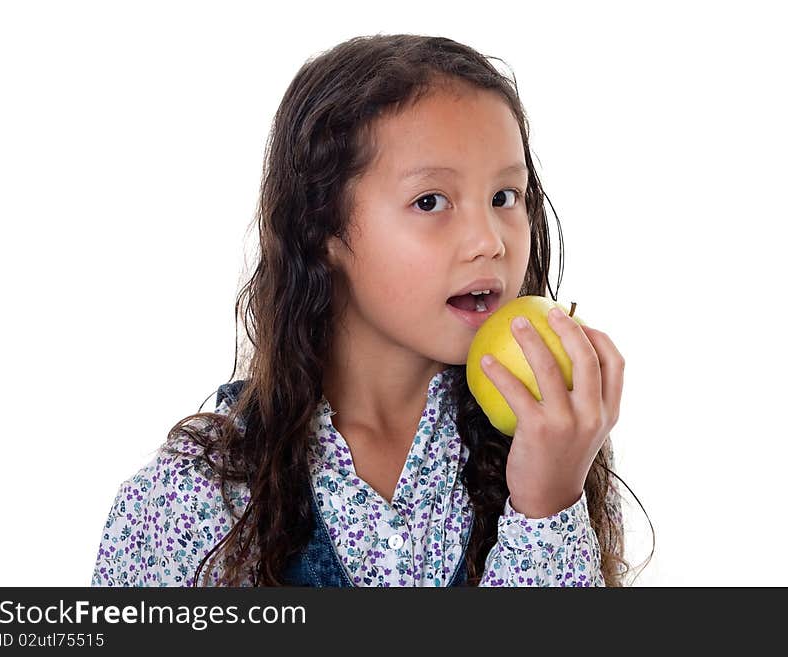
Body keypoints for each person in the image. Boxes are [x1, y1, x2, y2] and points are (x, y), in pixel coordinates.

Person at [90, 33, 633, 587]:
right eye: (430, 202)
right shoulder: (194, 499)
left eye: (505, 197)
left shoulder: (559, 453)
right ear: (322, 226)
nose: (490, 240)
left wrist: (547, 510)